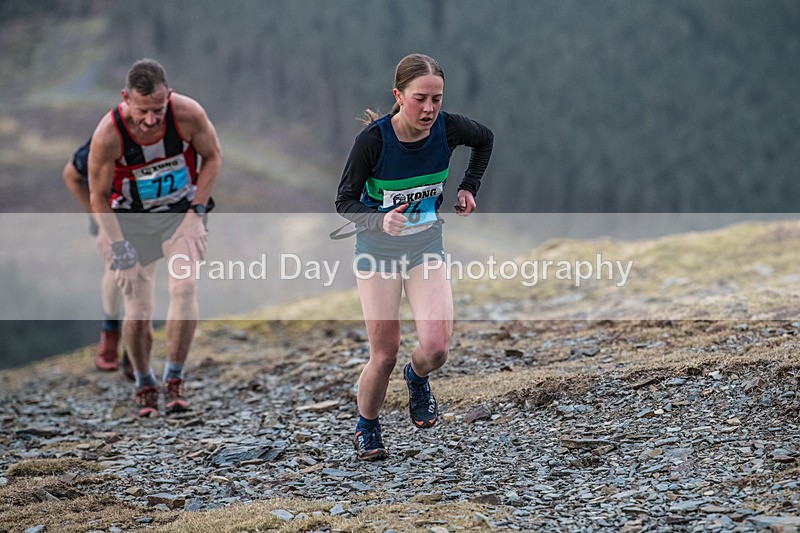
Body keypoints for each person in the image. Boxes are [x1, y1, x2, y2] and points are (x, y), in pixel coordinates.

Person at [335, 53, 493, 460]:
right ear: (398, 95)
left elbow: (485, 138)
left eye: (437, 99)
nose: (429, 109)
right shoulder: (373, 141)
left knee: (437, 348)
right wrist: (379, 221)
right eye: (420, 98)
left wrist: (468, 186)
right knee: (384, 354)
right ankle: (366, 426)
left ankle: (417, 375)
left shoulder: (448, 128)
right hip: (378, 252)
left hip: (425, 245)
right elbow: (345, 202)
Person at [89, 58, 222, 417]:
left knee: (184, 288)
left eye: (158, 109)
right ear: (125, 99)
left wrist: (197, 211)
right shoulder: (109, 134)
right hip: (130, 221)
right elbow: (98, 197)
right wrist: (118, 249)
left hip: (179, 214)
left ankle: (174, 379)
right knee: (138, 306)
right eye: (143, 111)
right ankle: (145, 383)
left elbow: (212, 157)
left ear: (169, 96)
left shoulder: (188, 114)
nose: (151, 119)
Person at [63, 138, 133, 379]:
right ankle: (110, 331)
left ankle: (136, 348)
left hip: (147, 213)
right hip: (109, 212)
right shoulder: (109, 135)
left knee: (144, 277)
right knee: (115, 272)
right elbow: (71, 175)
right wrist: (98, 220)